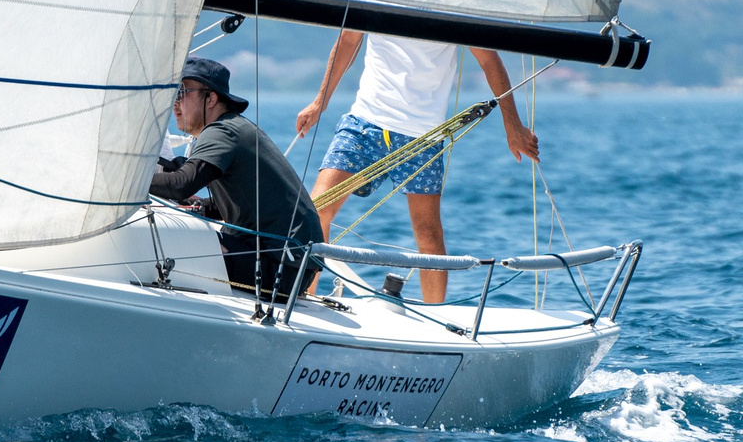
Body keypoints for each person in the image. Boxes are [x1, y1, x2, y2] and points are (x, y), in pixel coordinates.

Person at [295, 32, 539, 303]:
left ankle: (436, 313)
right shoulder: (377, 3)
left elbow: (489, 60)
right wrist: (319, 102)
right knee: (316, 211)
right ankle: (302, 298)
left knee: (428, 234)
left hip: (423, 137)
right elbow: (347, 41)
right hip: (364, 123)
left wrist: (512, 125)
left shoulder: (454, 9)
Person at [148, 56, 319, 301]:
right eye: (173, 94)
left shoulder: (221, 132)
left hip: (279, 267)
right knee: (186, 235)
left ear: (211, 99)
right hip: (291, 265)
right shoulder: (232, 127)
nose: (174, 103)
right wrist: (197, 206)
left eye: (182, 92)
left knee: (175, 239)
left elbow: (180, 185)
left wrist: (125, 182)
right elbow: (233, 204)